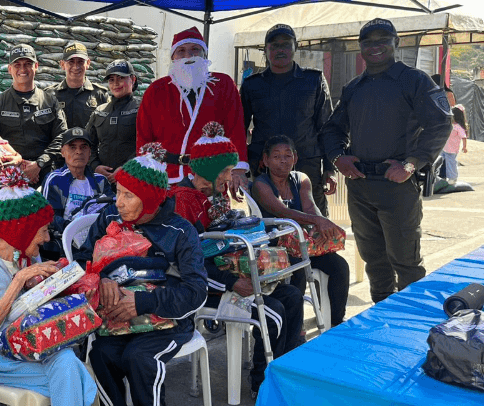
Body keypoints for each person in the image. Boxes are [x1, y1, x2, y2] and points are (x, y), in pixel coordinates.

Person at [71, 146, 208, 406]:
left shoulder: (179, 231)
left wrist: (142, 302)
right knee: (101, 356)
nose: (118, 202)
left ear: (149, 198)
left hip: (168, 323)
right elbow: (80, 262)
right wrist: (100, 278)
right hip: (114, 322)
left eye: (128, 195)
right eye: (118, 192)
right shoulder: (109, 217)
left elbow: (196, 291)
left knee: (140, 360)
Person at [320, 18, 452, 302]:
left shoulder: (414, 81)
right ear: (360, 48)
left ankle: (411, 320)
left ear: (396, 43)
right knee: (374, 262)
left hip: (397, 186)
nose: (375, 47)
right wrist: (338, 158)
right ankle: (382, 314)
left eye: (383, 40)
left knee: (406, 262)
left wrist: (411, 164)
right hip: (360, 186)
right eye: (368, 42)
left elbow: (440, 124)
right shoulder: (354, 87)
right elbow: (332, 129)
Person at [0, 166, 96, 406]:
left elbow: (32, 308)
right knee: (78, 378)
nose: (47, 238)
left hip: (33, 348)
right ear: (21, 231)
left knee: (69, 366)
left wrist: (56, 285)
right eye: (43, 230)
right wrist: (20, 279)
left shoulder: (27, 254)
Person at [170, 126, 305, 396]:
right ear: (207, 169)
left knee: (292, 296)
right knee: (273, 312)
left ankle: (281, 373)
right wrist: (232, 282)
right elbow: (188, 264)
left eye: (231, 170)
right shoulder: (182, 202)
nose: (229, 177)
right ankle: (263, 385)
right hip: (208, 288)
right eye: (224, 170)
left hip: (233, 277)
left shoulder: (216, 194)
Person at [252, 135, 351, 326]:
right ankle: (296, 329)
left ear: (295, 158)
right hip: (275, 249)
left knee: (340, 266)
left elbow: (310, 208)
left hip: (304, 245)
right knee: (298, 269)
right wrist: (318, 221)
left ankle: (335, 322)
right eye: (276, 156)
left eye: (288, 155)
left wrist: (319, 228)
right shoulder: (260, 184)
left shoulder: (301, 178)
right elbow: (282, 212)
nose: (283, 160)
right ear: (266, 160)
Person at [135, 27, 249, 191]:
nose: (188, 56)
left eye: (195, 49)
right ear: (173, 57)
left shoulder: (223, 84)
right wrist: (146, 174)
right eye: (181, 51)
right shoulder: (156, 90)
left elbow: (235, 129)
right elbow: (144, 137)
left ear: (204, 54)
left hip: (212, 175)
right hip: (168, 176)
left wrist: (238, 170)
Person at [240, 24, 336, 215]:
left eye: (285, 45)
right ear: (266, 50)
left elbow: (327, 127)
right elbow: (239, 128)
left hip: (306, 165)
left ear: (295, 47)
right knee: (266, 222)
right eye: (274, 45)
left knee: (314, 223)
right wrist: (240, 167)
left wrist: (330, 167)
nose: (280, 50)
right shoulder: (252, 85)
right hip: (264, 167)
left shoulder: (313, 80)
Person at [0, 44, 69, 186]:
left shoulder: (49, 101)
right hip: (10, 175)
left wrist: (39, 164)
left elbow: (62, 136)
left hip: (45, 174)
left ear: (36, 66)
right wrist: (18, 164)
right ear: (9, 69)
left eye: (27, 64)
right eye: (17, 65)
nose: (22, 69)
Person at [41, 128, 111, 258]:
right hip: (63, 244)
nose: (78, 151)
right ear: (62, 152)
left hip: (98, 242)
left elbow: (111, 213)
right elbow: (48, 216)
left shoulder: (101, 181)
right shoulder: (54, 179)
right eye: (72, 147)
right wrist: (73, 228)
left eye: (84, 147)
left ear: (90, 152)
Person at [86, 59, 140, 182]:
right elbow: (87, 143)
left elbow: (149, 145)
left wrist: (127, 168)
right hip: (102, 180)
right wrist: (95, 166)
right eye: (111, 79)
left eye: (121, 78)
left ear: (133, 79)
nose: (116, 83)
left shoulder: (142, 109)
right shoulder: (100, 111)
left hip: (133, 179)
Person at [45, 41, 110, 129]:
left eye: (80, 62)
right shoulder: (50, 95)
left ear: (88, 63)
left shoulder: (100, 95)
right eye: (71, 62)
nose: (76, 67)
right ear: (62, 64)